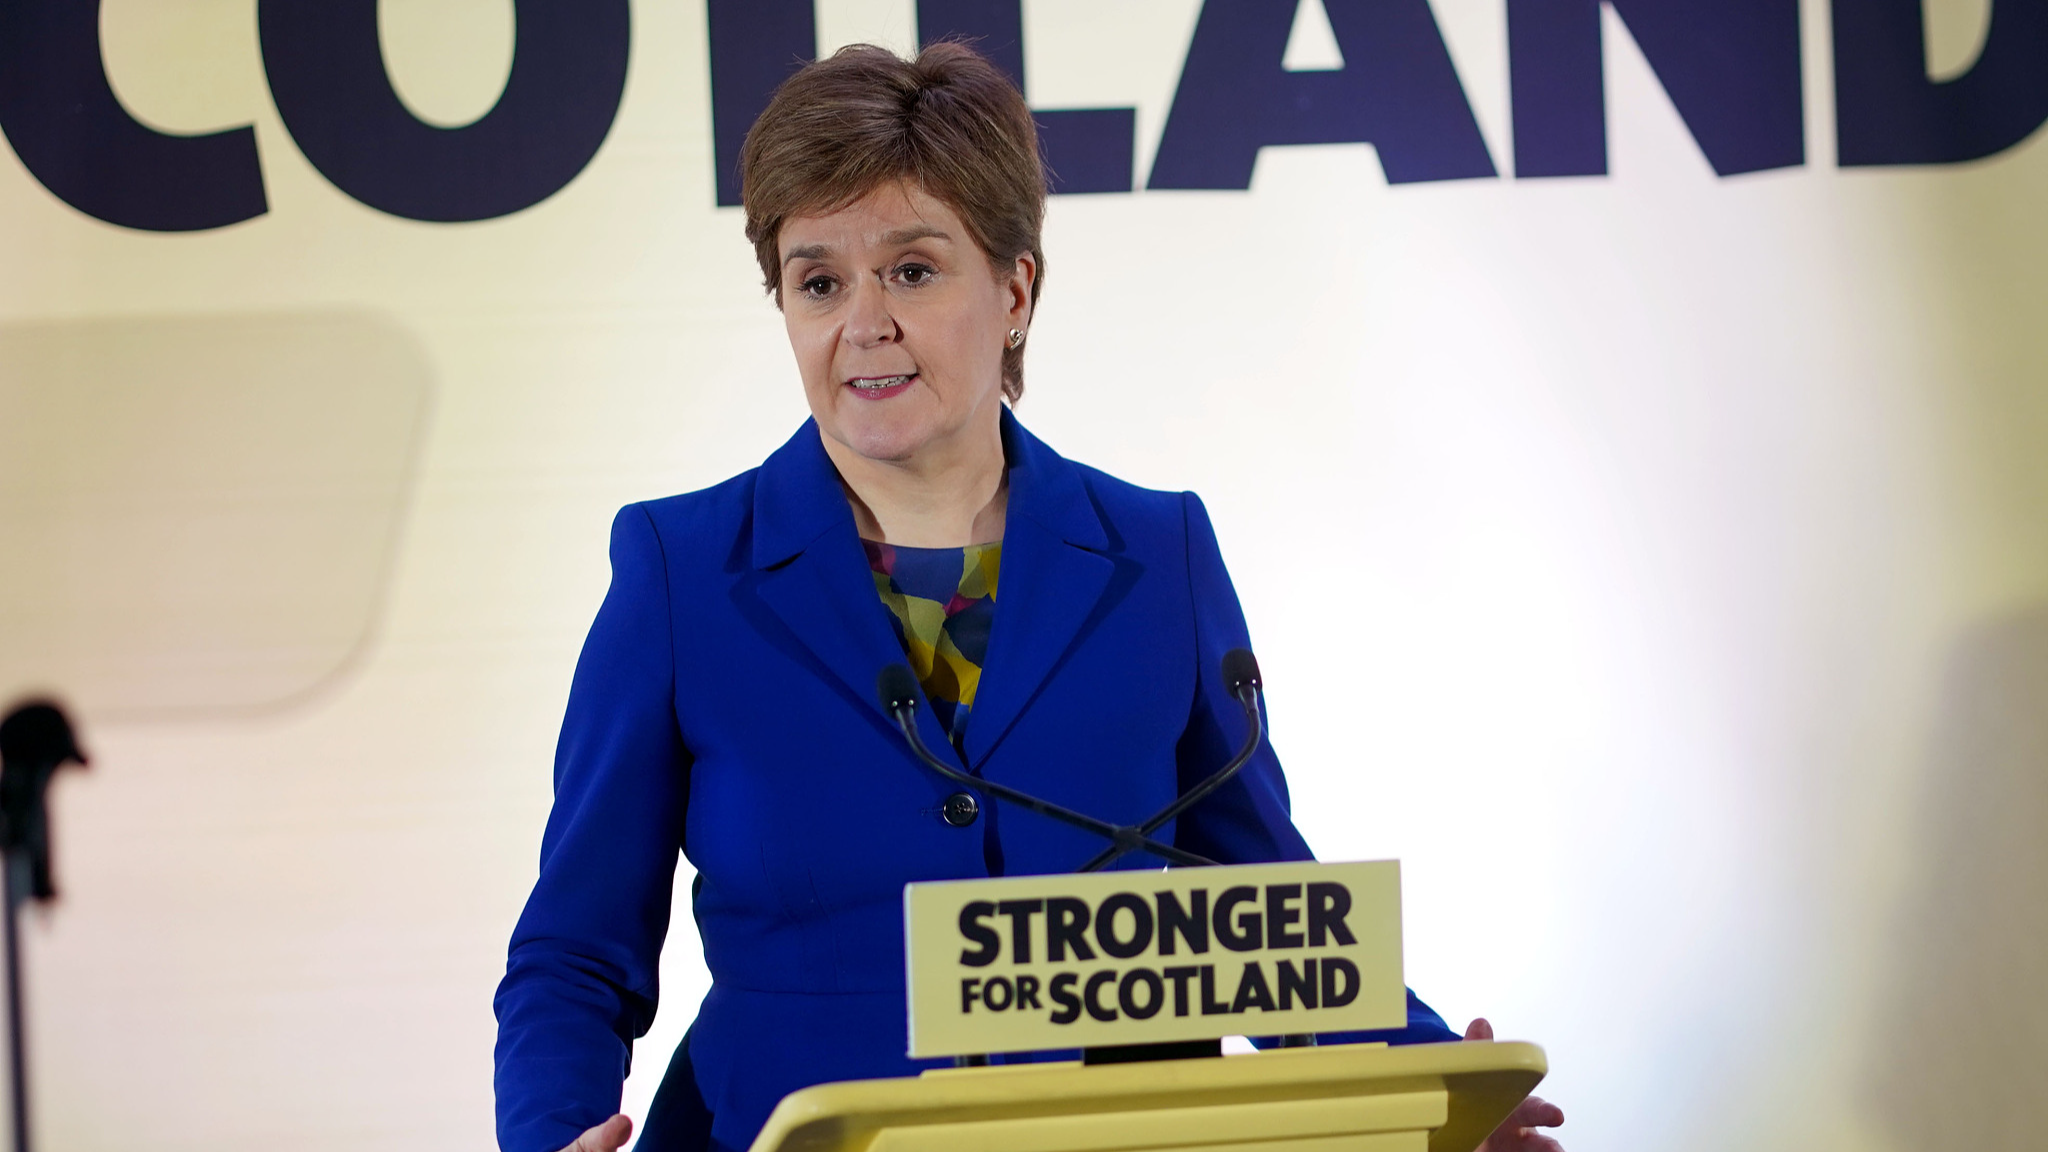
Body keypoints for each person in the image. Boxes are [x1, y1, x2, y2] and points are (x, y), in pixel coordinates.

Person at [493, 42, 1565, 1152]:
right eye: (818, 281)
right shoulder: (681, 573)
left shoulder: (1159, 555)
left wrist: (1436, 1096)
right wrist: (551, 1134)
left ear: (1013, 291)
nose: (862, 322)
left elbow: (1260, 917)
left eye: (911, 270)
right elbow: (575, 954)